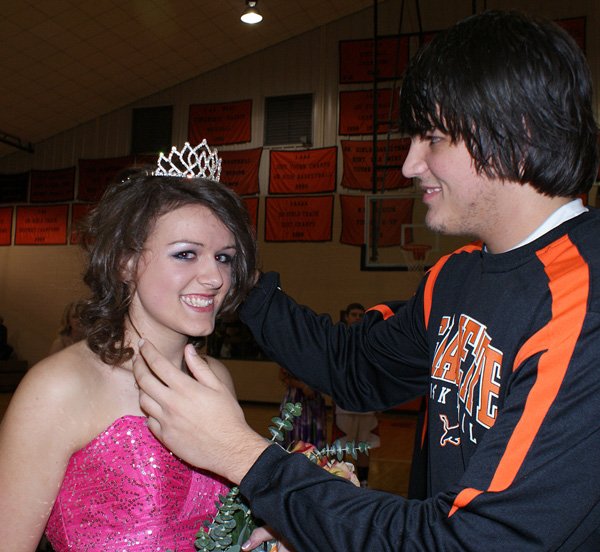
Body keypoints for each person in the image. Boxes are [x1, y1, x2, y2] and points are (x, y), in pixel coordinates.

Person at [133, 11, 600, 551]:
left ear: (516, 132)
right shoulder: (456, 274)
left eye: (432, 138)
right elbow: (354, 367)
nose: (409, 165)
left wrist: (242, 456)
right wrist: (235, 276)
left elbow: (474, 542)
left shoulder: (583, 304)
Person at [0, 141, 259, 551]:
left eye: (225, 258)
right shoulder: (59, 387)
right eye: (187, 254)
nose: (214, 277)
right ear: (124, 262)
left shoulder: (215, 379)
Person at [331, 303, 380, 487]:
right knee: (341, 444)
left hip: (367, 405)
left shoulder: (372, 342)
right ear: (347, 317)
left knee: (364, 446)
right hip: (344, 403)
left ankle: (364, 482)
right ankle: (340, 479)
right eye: (354, 314)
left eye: (361, 315)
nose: (358, 318)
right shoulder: (339, 341)